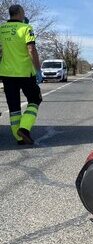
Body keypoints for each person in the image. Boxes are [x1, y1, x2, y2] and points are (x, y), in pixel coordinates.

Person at [0, 4, 43, 145]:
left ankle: (19, 138)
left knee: (14, 107)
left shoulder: (1, 29)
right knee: (35, 99)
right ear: (19, 13)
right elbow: (31, 49)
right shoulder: (26, 28)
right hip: (25, 72)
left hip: (6, 73)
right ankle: (24, 129)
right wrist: (37, 70)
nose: (24, 15)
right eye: (23, 12)